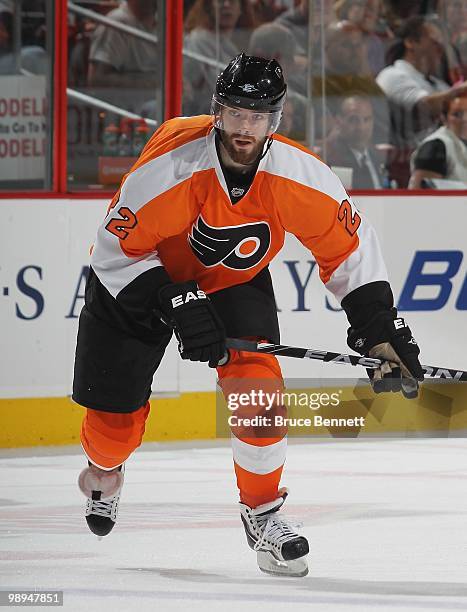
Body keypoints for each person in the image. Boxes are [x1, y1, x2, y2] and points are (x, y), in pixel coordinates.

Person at [73, 53, 424, 578]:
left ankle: (263, 514)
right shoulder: (169, 170)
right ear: (218, 111)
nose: (245, 126)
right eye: (236, 112)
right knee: (112, 431)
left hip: (233, 279)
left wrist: (379, 331)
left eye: (257, 115)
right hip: (141, 280)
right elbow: (112, 252)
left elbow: (349, 254)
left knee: (259, 393)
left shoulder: (300, 175)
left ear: (275, 118)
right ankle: (104, 475)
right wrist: (175, 300)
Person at [325, 95, 385, 189]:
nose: (361, 127)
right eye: (353, 120)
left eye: (367, 119)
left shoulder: (380, 157)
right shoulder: (329, 159)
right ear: (338, 121)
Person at [409, 93, 467, 188]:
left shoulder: (461, 143)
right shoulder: (435, 146)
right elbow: (420, 194)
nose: (465, 119)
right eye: (457, 114)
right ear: (444, 118)